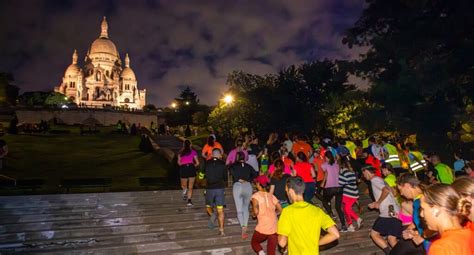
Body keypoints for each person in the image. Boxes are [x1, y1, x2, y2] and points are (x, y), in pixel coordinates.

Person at [277, 176, 340, 255]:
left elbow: (282, 243)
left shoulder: (287, 212)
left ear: (291, 191)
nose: (286, 193)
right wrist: (316, 243)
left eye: (286, 191)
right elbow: (335, 234)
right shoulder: (317, 211)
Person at [420, 184, 472, 255]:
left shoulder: (440, 248)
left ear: (436, 210)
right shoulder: (470, 233)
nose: (421, 214)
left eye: (423, 209)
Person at [362, 166, 402, 255]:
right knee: (392, 239)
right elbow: (392, 191)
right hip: (394, 210)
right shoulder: (381, 179)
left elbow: (386, 190)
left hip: (388, 212)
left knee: (374, 234)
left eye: (363, 174)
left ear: (366, 171)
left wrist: (378, 203)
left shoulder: (374, 180)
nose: (364, 176)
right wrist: (377, 202)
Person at [395, 174, 428, 254]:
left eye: (400, 190)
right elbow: (419, 221)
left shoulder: (422, 201)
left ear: (407, 186)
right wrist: (410, 229)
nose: (401, 194)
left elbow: (437, 223)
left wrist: (422, 237)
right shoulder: (417, 200)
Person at [251, 175, 282, 255]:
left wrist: (253, 214)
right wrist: (274, 213)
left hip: (263, 225)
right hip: (274, 225)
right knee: (271, 252)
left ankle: (261, 253)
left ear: (258, 184)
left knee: (254, 242)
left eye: (256, 183)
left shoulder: (255, 196)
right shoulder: (271, 196)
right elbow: (281, 210)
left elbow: (256, 211)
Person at [229, 151, 257, 239]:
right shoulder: (249, 166)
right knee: (246, 208)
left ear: (237, 157)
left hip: (237, 186)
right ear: (244, 158)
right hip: (247, 186)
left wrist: (238, 178)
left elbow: (231, 172)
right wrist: (249, 179)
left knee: (239, 210)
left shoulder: (233, 166)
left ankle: (243, 227)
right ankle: (246, 224)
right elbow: (256, 174)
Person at [321, 151, 347, 231]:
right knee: (338, 207)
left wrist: (323, 183)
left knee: (324, 201)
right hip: (339, 188)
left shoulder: (324, 165)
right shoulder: (337, 164)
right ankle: (343, 225)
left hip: (330, 188)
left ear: (327, 157)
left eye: (325, 157)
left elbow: (326, 173)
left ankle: (331, 214)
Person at [204, 149, 227, 236]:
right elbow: (225, 178)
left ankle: (212, 215)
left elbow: (201, 175)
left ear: (212, 155)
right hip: (220, 189)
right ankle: (221, 230)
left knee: (208, 207)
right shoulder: (222, 164)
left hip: (209, 189)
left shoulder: (206, 163)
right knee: (220, 211)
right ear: (219, 155)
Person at [338, 158, 362, 232]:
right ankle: (352, 224)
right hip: (354, 191)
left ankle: (354, 221)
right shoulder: (352, 171)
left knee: (346, 209)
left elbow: (341, 182)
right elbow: (356, 180)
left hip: (347, 192)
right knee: (347, 208)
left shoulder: (343, 171)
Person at [177, 140, 199, 206]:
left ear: (183, 145)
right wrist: (193, 166)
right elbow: (197, 163)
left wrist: (183, 164)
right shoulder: (193, 152)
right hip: (191, 168)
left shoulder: (180, 153)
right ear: (190, 145)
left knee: (183, 185)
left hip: (183, 168)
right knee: (191, 187)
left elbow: (179, 163)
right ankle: (189, 201)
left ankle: (184, 191)